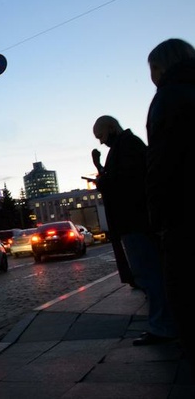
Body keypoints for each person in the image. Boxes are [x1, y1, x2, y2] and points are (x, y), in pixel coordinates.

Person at [92, 115, 177, 346]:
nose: (101, 142)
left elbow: (128, 184)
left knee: (148, 274)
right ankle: (164, 323)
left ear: (111, 128)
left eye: (100, 136)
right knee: (149, 273)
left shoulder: (127, 147)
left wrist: (104, 182)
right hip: (135, 221)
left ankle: (163, 326)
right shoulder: (127, 145)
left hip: (135, 221)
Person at [145, 38, 195, 358]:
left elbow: (161, 162)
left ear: (160, 68)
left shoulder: (167, 97)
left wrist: (158, 214)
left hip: (182, 208)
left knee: (183, 288)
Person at [90, 147, 135, 287]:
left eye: (101, 136)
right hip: (125, 218)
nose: (101, 141)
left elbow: (113, 181)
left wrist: (98, 167)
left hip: (129, 218)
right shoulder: (122, 148)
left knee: (138, 257)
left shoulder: (124, 148)